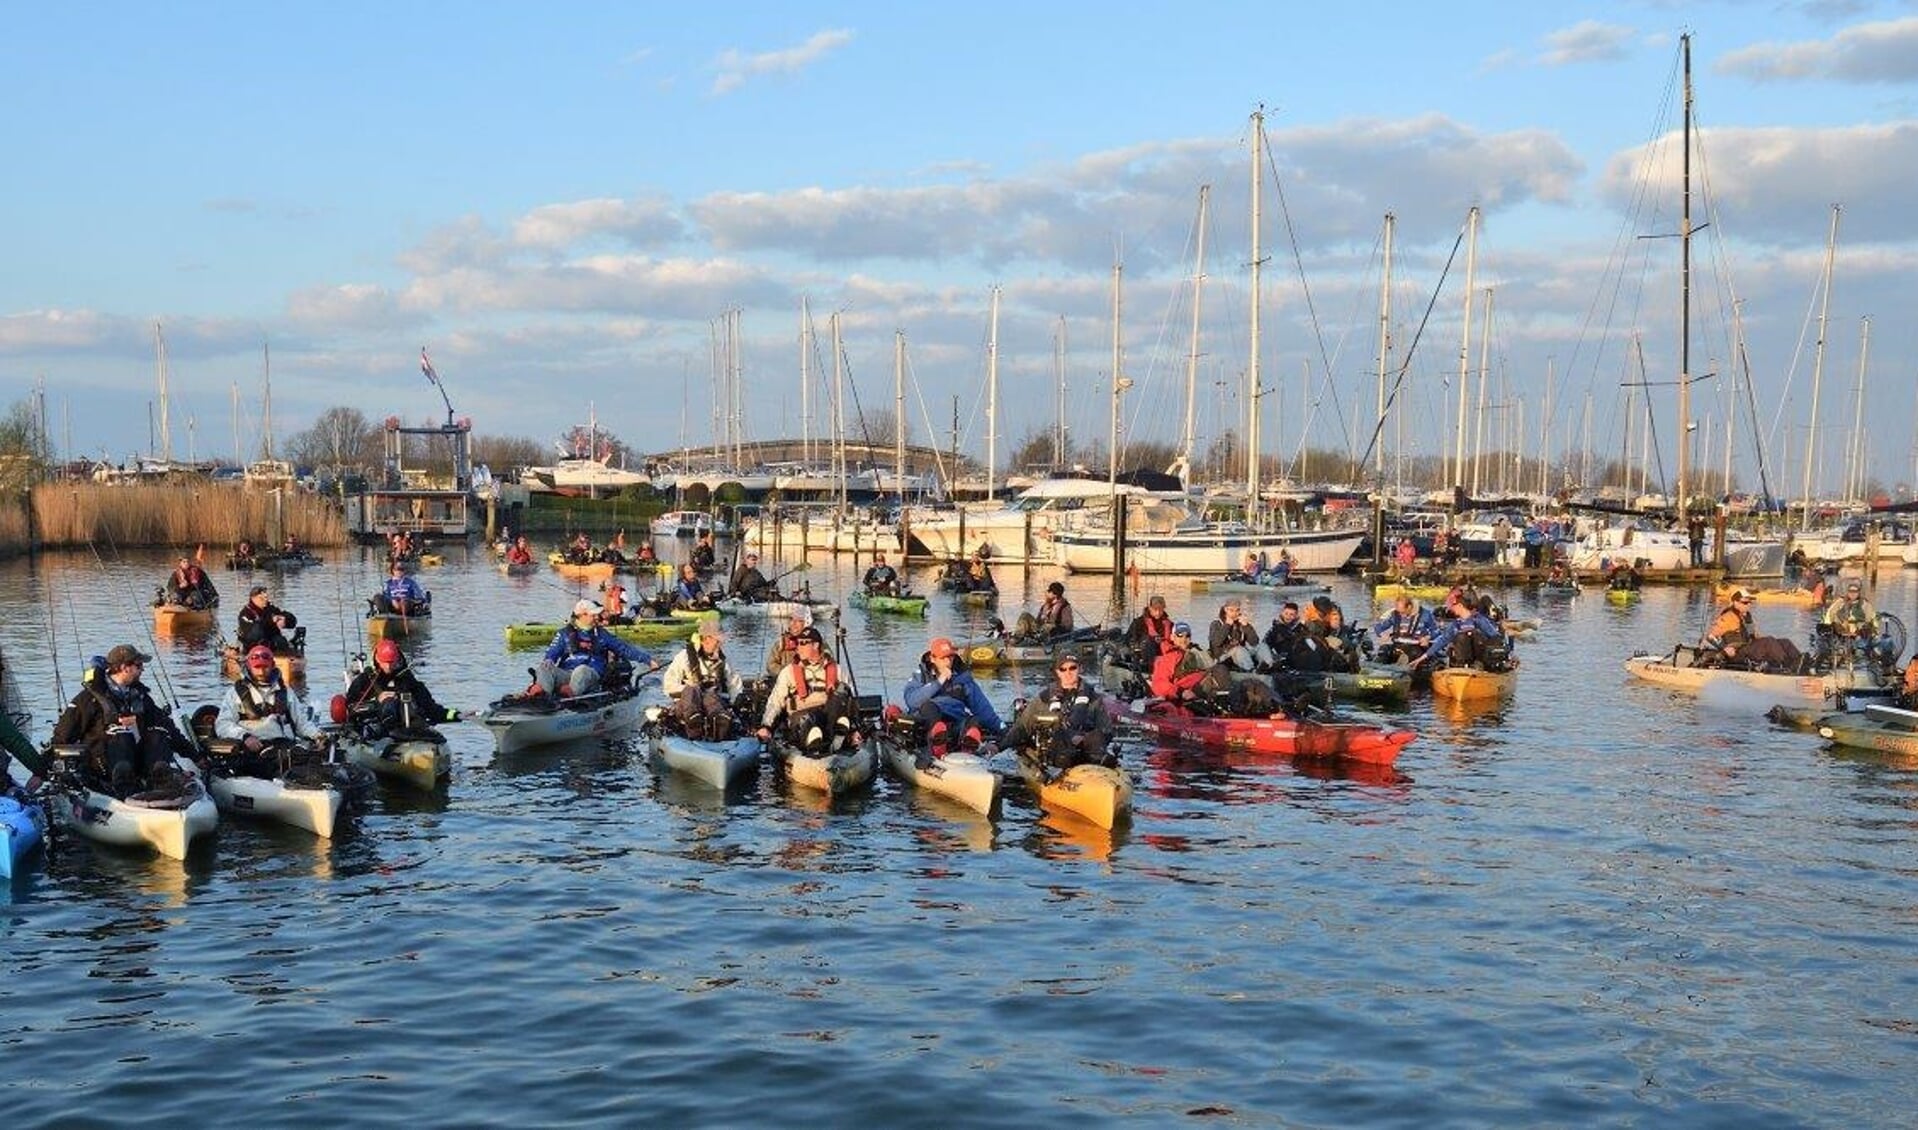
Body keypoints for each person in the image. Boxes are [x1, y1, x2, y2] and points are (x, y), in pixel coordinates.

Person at [50, 644, 192, 794]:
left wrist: (195, 756)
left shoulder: (140, 697)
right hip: (103, 765)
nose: (142, 670)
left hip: (138, 762)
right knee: (121, 735)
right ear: (125, 667)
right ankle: (122, 786)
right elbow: (63, 735)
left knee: (157, 733)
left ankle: (159, 780)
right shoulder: (89, 699)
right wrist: (41, 771)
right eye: (139, 665)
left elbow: (167, 727)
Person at [1000, 651, 1114, 770]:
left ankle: (1100, 764)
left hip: (1086, 752)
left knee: (1096, 737)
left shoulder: (1094, 699)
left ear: (1080, 669)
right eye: (1063, 669)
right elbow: (1021, 728)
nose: (1068, 673)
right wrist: (998, 747)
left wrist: (1084, 739)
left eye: (1072, 668)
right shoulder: (1043, 699)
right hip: (1055, 753)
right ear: (1057, 672)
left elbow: (1106, 731)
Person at [757, 626, 861, 754]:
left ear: (816, 645)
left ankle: (838, 736)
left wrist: (855, 728)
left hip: (828, 716)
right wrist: (766, 726)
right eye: (797, 643)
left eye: (803, 643)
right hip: (801, 717)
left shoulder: (837, 669)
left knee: (842, 691)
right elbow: (775, 702)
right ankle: (816, 744)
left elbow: (850, 701)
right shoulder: (788, 672)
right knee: (809, 721)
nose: (798, 647)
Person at [215, 643, 326, 762]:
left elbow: (302, 724)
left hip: (283, 747)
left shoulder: (286, 692)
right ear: (248, 666)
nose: (261, 672)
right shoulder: (235, 693)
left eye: (265, 667)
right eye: (257, 667)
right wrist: (245, 737)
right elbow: (223, 725)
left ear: (272, 665)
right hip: (252, 750)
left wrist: (318, 735)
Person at [901, 636, 1003, 755]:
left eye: (951, 656)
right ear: (932, 658)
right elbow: (912, 701)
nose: (948, 661)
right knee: (930, 708)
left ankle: (967, 750)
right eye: (943, 658)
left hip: (954, 722)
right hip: (927, 723)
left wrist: (1003, 729)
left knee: (974, 721)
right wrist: (939, 681)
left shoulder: (963, 679)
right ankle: (936, 745)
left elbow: (983, 710)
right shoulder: (920, 675)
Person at [535, 600, 654, 699]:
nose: (597, 617)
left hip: (591, 674)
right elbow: (551, 653)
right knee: (544, 668)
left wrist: (648, 660)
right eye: (593, 615)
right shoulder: (564, 634)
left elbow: (624, 649)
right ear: (582, 615)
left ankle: (567, 697)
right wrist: (549, 659)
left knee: (581, 670)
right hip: (567, 673)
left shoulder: (602, 634)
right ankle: (543, 699)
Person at [342, 639, 457, 736]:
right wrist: (377, 701)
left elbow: (429, 707)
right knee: (388, 704)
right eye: (385, 662)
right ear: (377, 659)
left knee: (413, 704)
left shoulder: (406, 678)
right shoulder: (365, 680)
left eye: (391, 662)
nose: (388, 666)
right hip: (376, 727)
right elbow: (351, 708)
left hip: (406, 726)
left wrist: (455, 715)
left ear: (397, 659)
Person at [661, 620, 745, 740]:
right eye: (717, 641)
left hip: (714, 702)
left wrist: (737, 702)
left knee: (710, 697)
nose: (720, 645)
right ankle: (694, 723)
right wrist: (693, 689)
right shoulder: (684, 657)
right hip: (686, 704)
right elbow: (668, 685)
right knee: (692, 691)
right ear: (706, 639)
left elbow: (734, 684)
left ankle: (720, 725)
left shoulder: (724, 660)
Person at [1704, 588, 1803, 671]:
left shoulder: (1746, 617)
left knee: (1785, 642)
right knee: (1768, 641)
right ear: (1735, 602)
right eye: (1745, 602)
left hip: (1749, 648)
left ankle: (1799, 661)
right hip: (1738, 652)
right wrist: (1724, 648)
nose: (1748, 605)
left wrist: (1770, 643)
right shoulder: (1728, 617)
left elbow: (1755, 636)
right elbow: (1710, 636)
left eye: (1750, 603)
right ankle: (1787, 666)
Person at [1410, 592, 1510, 672]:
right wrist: (1420, 659)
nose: (1450, 609)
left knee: (1471, 634)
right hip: (1463, 662)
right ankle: (1463, 666)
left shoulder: (1479, 619)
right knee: (1460, 636)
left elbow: (1496, 638)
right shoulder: (1455, 624)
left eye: (1452, 606)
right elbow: (1441, 641)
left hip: (1481, 658)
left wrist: (1509, 655)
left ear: (1460, 605)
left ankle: (1480, 665)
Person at [1822, 580, 1889, 667]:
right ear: (1847, 592)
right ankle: (1838, 659)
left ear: (1859, 593)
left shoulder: (1865, 604)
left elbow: (1872, 617)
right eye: (1850, 591)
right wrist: (1829, 626)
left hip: (1859, 632)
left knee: (1867, 645)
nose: (1853, 594)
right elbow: (1830, 614)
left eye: (1855, 592)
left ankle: (1864, 660)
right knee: (1835, 645)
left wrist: (1874, 631)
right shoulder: (1840, 602)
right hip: (1841, 631)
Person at [1149, 623, 1209, 704]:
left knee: (1219, 670)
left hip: (1203, 687)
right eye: (1180, 635)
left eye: (1187, 636)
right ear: (1172, 637)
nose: (1184, 639)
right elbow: (1159, 683)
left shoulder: (1196, 652)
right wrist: (1181, 692)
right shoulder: (1170, 657)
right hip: (1184, 695)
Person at [1371, 596, 1439, 664]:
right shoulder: (1395, 614)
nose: (1401, 615)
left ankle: (1406, 666)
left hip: (1416, 647)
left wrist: (1427, 638)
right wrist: (1382, 634)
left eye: (1402, 612)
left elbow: (1437, 631)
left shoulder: (1425, 615)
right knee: (1384, 650)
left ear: (1409, 607)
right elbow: (1378, 627)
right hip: (1398, 645)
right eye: (1399, 612)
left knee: (1413, 653)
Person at [1208, 600, 1270, 672]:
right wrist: (1227, 625)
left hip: (1242, 654)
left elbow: (1254, 642)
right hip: (1223, 656)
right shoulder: (1216, 623)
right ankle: (1251, 670)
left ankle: (1268, 665)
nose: (1234, 613)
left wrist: (1246, 626)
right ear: (1225, 610)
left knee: (1261, 646)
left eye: (1237, 610)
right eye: (1231, 610)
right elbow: (1216, 642)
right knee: (1238, 649)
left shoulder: (1240, 623)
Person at [236, 584, 300, 653]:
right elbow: (253, 633)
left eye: (266, 597)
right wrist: (271, 621)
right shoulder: (245, 613)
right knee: (257, 630)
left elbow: (291, 620)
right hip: (253, 647)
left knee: (281, 641)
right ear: (253, 598)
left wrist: (284, 619)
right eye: (262, 598)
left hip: (272, 644)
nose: (265, 600)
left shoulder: (271, 609)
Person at [765, 609, 830, 676]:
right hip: (786, 680)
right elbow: (771, 666)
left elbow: (828, 662)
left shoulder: (817, 642)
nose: (793, 624)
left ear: (806, 623)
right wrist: (789, 672)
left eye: (799, 621)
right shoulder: (782, 643)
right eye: (791, 620)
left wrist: (807, 671)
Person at [1123, 594, 1175, 668]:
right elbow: (1128, 639)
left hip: (1163, 654)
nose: (1158, 612)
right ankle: (1151, 667)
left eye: (1161, 610)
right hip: (1143, 655)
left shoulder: (1169, 624)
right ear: (1150, 608)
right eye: (1155, 609)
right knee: (1149, 640)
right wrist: (1135, 648)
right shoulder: (1138, 622)